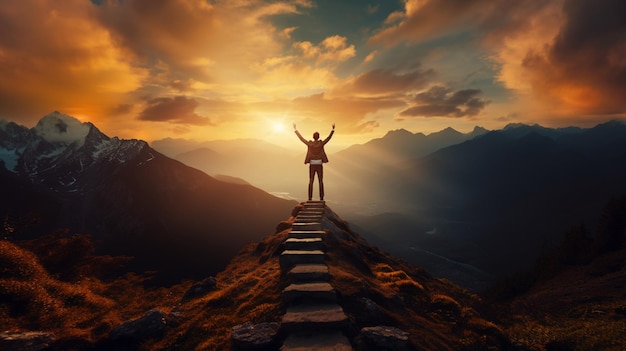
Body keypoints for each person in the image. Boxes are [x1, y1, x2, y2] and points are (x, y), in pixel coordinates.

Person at [293, 123, 335, 201]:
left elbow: (301, 139)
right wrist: (332, 130)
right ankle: (321, 197)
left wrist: (296, 130)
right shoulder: (321, 143)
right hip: (319, 164)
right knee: (320, 181)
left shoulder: (310, 144)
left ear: (313, 137)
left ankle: (310, 197)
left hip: (312, 164)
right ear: (318, 137)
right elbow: (328, 138)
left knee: (311, 181)